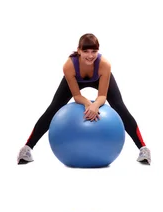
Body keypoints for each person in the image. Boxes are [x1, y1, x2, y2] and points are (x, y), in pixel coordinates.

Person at [17, 33, 151, 165]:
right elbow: (77, 96)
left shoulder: (104, 65)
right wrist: (88, 103)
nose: (90, 55)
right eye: (86, 51)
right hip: (76, 79)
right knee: (53, 108)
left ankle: (143, 149)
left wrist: (95, 105)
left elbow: (102, 96)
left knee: (120, 107)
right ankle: (27, 149)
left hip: (99, 79)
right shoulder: (69, 66)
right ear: (79, 50)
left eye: (94, 51)